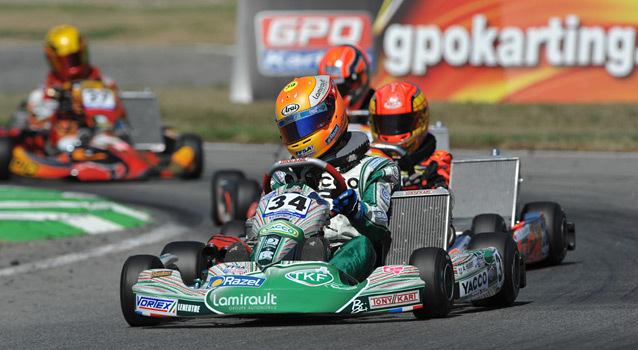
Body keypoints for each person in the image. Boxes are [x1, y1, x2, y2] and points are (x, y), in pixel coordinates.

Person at [227, 75, 400, 282]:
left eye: (307, 125)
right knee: (236, 244)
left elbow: (381, 225)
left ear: (330, 115)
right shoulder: (283, 175)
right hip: (289, 246)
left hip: (339, 251)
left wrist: (356, 209)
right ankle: (242, 274)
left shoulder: (373, 167)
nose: (300, 136)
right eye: (293, 129)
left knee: (361, 246)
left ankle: (326, 280)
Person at [23, 24, 126, 154]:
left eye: (74, 58)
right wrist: (49, 109)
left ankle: (109, 139)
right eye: (64, 61)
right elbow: (33, 124)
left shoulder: (105, 83)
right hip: (65, 138)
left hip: (103, 132)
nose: (70, 65)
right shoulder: (46, 90)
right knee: (63, 130)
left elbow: (121, 111)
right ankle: (78, 147)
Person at [368, 81, 452, 190]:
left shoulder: (437, 162)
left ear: (422, 119)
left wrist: (426, 184)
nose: (394, 130)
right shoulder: (369, 160)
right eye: (386, 124)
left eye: (402, 123)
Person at [317, 44, 375, 121]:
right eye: (333, 88)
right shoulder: (320, 111)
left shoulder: (378, 105)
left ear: (363, 77)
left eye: (347, 85)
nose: (339, 93)